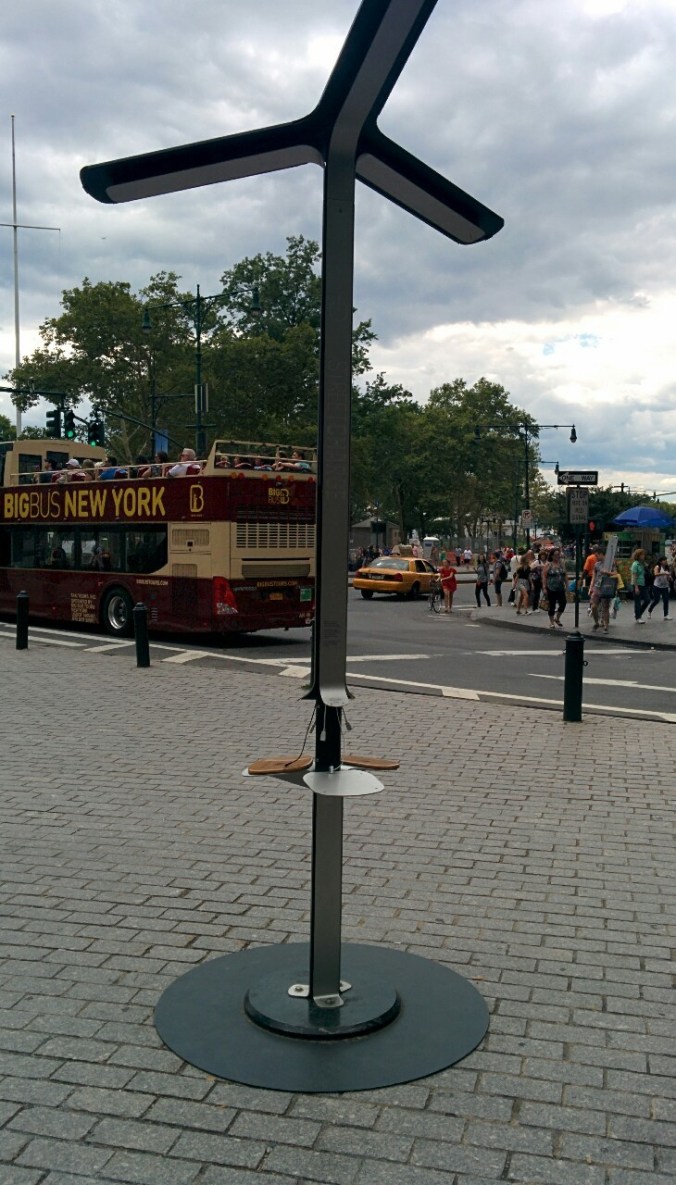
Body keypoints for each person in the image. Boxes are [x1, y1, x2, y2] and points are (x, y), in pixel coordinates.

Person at [590, 550, 618, 633]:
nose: (596, 557)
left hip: (606, 586)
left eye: (597, 555)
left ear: (602, 554)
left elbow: (615, 573)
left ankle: (606, 626)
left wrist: (607, 572)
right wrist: (591, 586)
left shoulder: (610, 563)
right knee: (593, 606)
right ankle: (596, 622)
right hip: (597, 586)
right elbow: (594, 576)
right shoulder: (596, 564)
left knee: (605, 607)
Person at [543, 547, 567, 628]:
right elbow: (544, 576)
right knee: (552, 605)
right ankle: (552, 622)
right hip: (551, 588)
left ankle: (557, 618)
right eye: (556, 555)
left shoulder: (562, 564)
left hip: (560, 587)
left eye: (558, 554)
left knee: (563, 603)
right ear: (552, 556)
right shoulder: (548, 565)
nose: (558, 556)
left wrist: (567, 585)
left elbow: (565, 575)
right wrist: (544, 587)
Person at [630, 547, 649, 623]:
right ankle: (638, 618)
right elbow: (634, 576)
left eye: (644, 555)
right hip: (637, 584)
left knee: (647, 600)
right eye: (642, 555)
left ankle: (638, 613)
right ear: (638, 555)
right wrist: (636, 587)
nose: (643, 556)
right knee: (637, 602)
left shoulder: (642, 564)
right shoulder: (635, 564)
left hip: (643, 584)